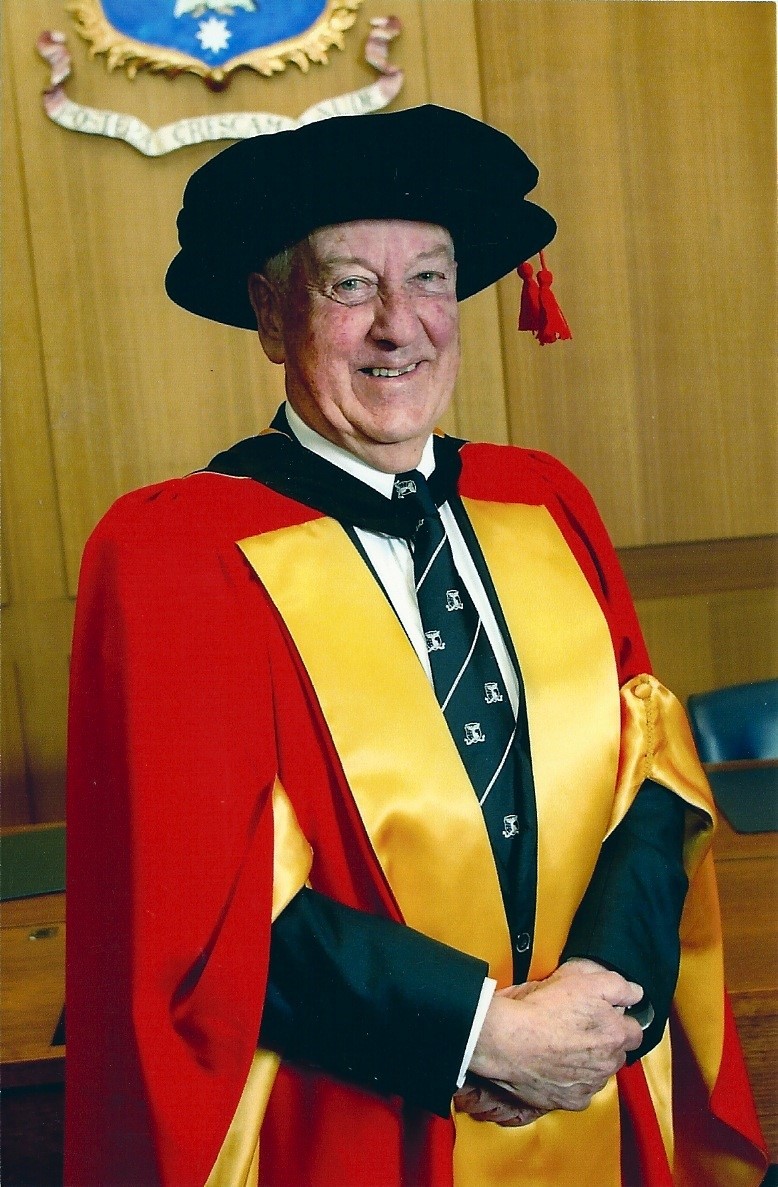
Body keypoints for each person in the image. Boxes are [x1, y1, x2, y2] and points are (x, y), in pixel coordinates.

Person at [64, 105, 767, 1187]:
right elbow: (198, 903)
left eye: (429, 279)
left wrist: (596, 1005)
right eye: (350, 285)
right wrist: (483, 1033)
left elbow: (651, 766)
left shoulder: (541, 500)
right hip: (353, 1122)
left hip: (588, 1093)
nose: (401, 325)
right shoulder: (174, 551)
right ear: (268, 310)